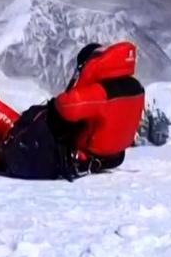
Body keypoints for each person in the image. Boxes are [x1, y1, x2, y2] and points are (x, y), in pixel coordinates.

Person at [52, 41, 145, 174]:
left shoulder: (101, 92)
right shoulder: (136, 87)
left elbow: (67, 106)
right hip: (116, 155)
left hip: (89, 155)